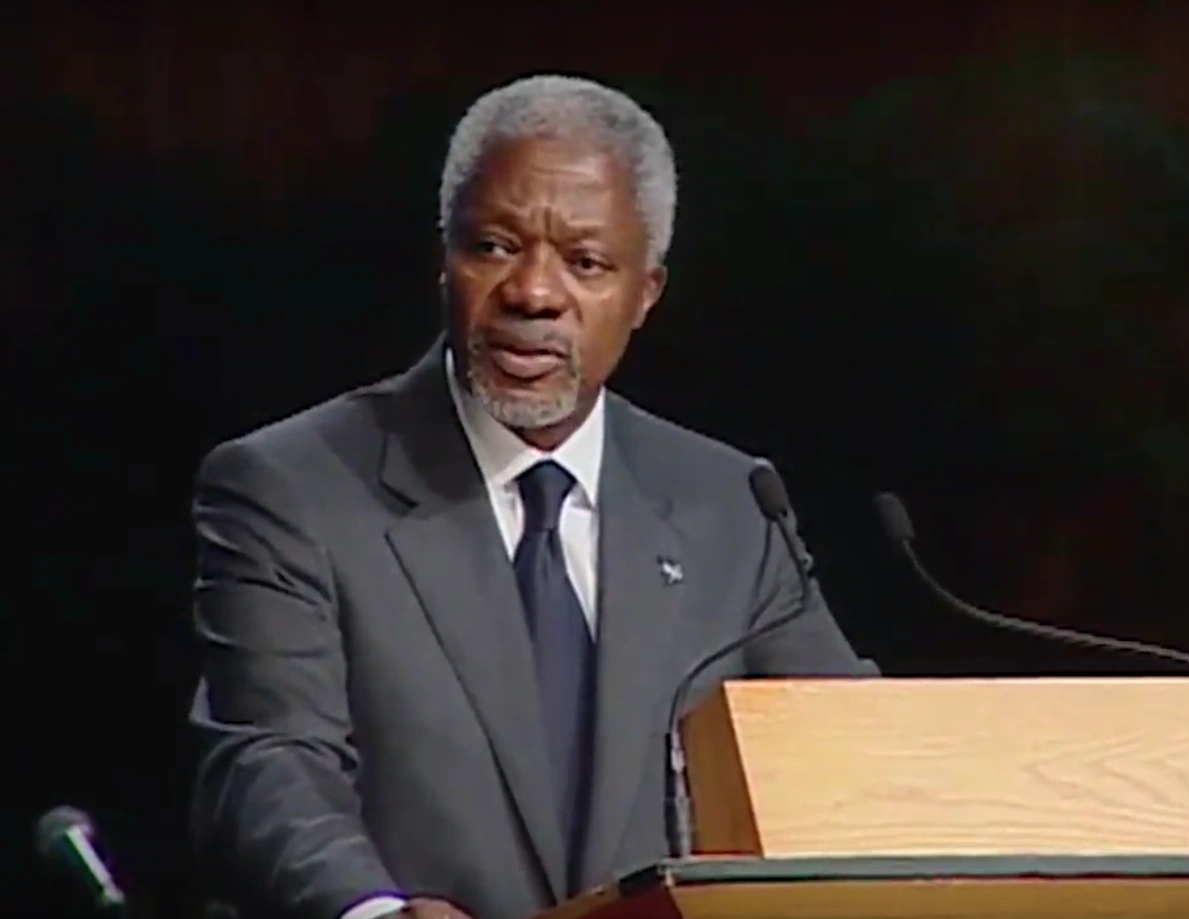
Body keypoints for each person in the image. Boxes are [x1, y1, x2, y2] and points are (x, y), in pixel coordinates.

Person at [189, 74, 877, 919]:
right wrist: (372, 910)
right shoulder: (293, 487)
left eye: (585, 262)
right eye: (493, 247)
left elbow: (850, 760)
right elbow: (268, 761)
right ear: (444, 258)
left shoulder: (728, 506)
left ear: (645, 293)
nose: (533, 293)